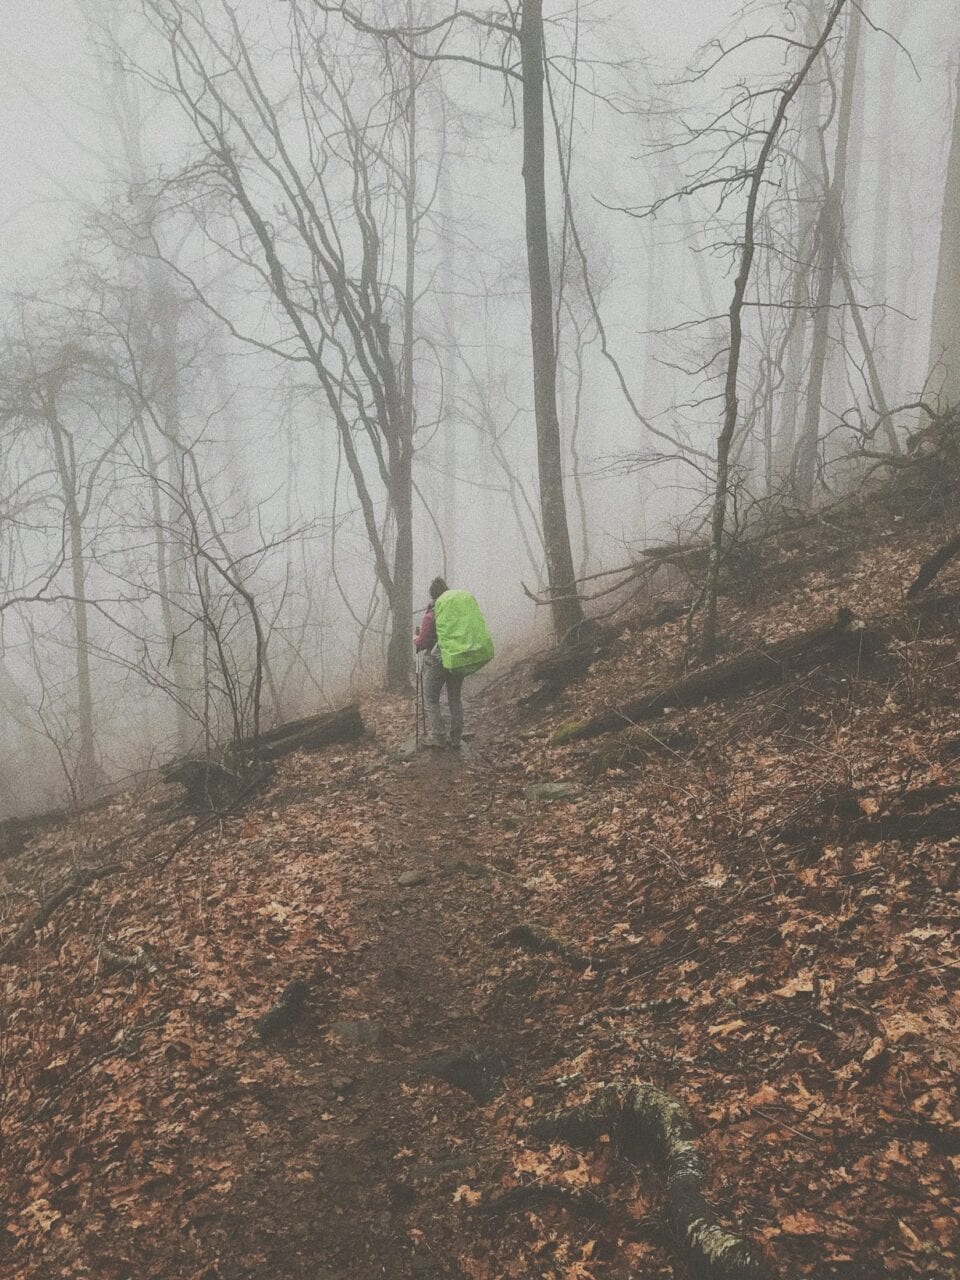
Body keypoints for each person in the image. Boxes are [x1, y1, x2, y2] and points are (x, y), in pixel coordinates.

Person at [414, 576, 464, 749]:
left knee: (431, 698)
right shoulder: (457, 611)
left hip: (437, 660)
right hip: (457, 658)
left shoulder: (431, 615)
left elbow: (424, 643)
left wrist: (416, 640)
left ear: (433, 596)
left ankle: (438, 737)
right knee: (455, 698)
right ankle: (456, 738)